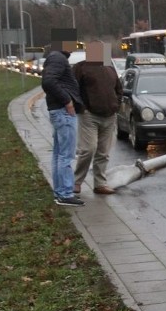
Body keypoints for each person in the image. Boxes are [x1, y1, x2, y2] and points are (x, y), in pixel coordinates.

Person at [73, 41, 123, 195]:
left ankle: (100, 184)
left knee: (103, 152)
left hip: (109, 116)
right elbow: (73, 89)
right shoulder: (81, 68)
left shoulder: (109, 67)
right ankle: (76, 182)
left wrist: (117, 105)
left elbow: (118, 88)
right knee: (88, 149)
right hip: (90, 116)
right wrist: (82, 108)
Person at [41, 47, 85, 206]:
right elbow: (48, 81)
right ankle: (65, 193)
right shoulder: (58, 58)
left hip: (58, 111)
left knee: (59, 154)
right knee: (66, 155)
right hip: (63, 112)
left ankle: (60, 192)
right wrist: (67, 101)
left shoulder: (55, 57)